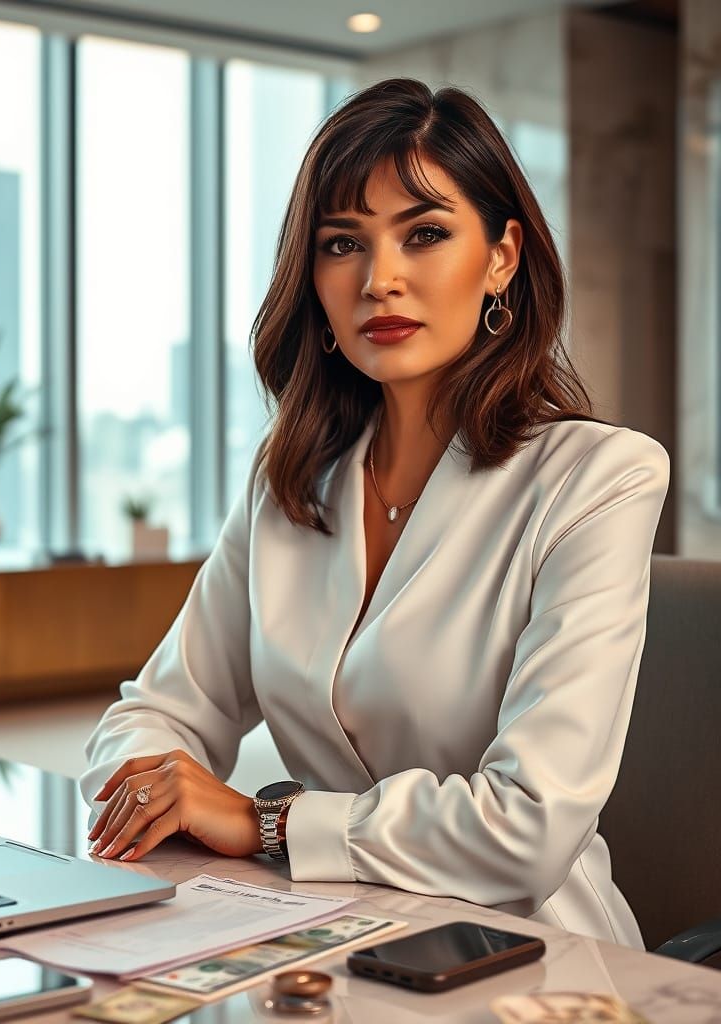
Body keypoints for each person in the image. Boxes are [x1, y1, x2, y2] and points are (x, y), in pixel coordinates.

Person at [80, 78, 669, 950]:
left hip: (528, 958)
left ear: (502, 257)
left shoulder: (597, 479)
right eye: (342, 244)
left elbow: (529, 826)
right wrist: (145, 781)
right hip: (324, 938)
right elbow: (157, 710)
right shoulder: (290, 485)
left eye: (424, 234)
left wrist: (269, 823)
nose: (380, 279)